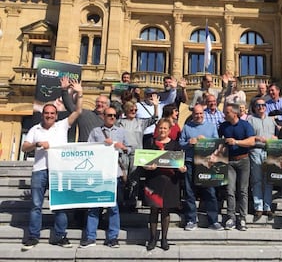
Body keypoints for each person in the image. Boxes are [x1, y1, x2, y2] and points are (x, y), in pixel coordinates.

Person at [21, 79, 83, 251]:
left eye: (52, 113)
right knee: (36, 206)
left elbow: (78, 111)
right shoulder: (35, 130)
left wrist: (79, 93)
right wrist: (37, 144)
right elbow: (24, 147)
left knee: (60, 206)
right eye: (46, 113)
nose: (49, 115)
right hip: (39, 171)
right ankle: (33, 236)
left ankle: (60, 236)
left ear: (56, 115)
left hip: (58, 172)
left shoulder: (63, 126)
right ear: (43, 114)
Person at [80, 107, 132, 248]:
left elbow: (131, 149)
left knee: (113, 207)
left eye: (115, 115)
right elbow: (87, 149)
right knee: (94, 206)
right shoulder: (95, 132)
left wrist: (122, 147)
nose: (112, 118)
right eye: (109, 115)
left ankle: (113, 237)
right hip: (98, 173)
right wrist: (102, 145)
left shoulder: (121, 132)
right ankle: (91, 237)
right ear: (103, 116)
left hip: (114, 173)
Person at [179, 104, 223, 231]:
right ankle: (191, 220)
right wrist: (189, 142)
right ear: (192, 114)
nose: (198, 116)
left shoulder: (211, 126)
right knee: (189, 192)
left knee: (210, 192)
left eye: (201, 114)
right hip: (190, 162)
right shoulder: (187, 127)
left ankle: (213, 220)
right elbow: (180, 144)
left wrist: (206, 141)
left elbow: (217, 144)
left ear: (204, 114)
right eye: (196, 114)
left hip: (206, 163)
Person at [144, 119, 186, 251]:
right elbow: (143, 162)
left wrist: (182, 168)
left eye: (165, 128)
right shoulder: (150, 143)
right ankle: (152, 238)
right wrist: (147, 167)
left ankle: (164, 239)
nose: (162, 130)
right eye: (160, 128)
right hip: (154, 180)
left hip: (169, 181)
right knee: (154, 210)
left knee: (166, 210)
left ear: (169, 130)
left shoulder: (175, 144)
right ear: (157, 129)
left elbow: (180, 163)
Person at [219, 104, 255, 231]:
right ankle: (231, 217)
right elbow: (217, 140)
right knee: (230, 190)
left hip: (243, 159)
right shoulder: (223, 126)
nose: (225, 114)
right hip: (229, 161)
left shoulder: (245, 125)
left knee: (243, 190)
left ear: (234, 113)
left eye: (227, 112)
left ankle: (242, 217)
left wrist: (236, 142)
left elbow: (252, 141)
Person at [247, 98, 277, 221]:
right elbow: (249, 136)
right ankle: (258, 207)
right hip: (256, 150)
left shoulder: (271, 120)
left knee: (269, 180)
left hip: (269, 151)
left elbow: (276, 135)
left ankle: (267, 206)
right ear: (254, 107)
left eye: (263, 105)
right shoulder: (250, 120)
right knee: (257, 180)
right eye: (258, 105)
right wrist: (258, 138)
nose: (261, 107)